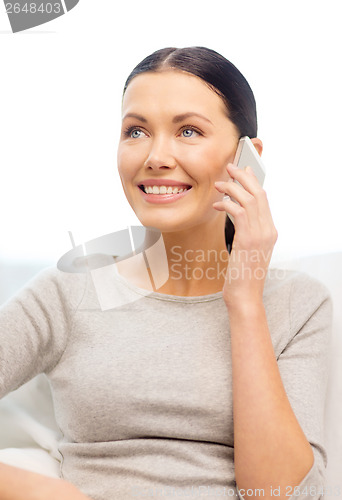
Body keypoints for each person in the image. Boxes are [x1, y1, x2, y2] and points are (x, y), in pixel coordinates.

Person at [0, 47, 332, 500]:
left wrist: (245, 302)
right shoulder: (68, 291)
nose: (156, 156)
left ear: (248, 157)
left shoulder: (301, 304)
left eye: (188, 131)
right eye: (135, 131)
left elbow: (276, 495)